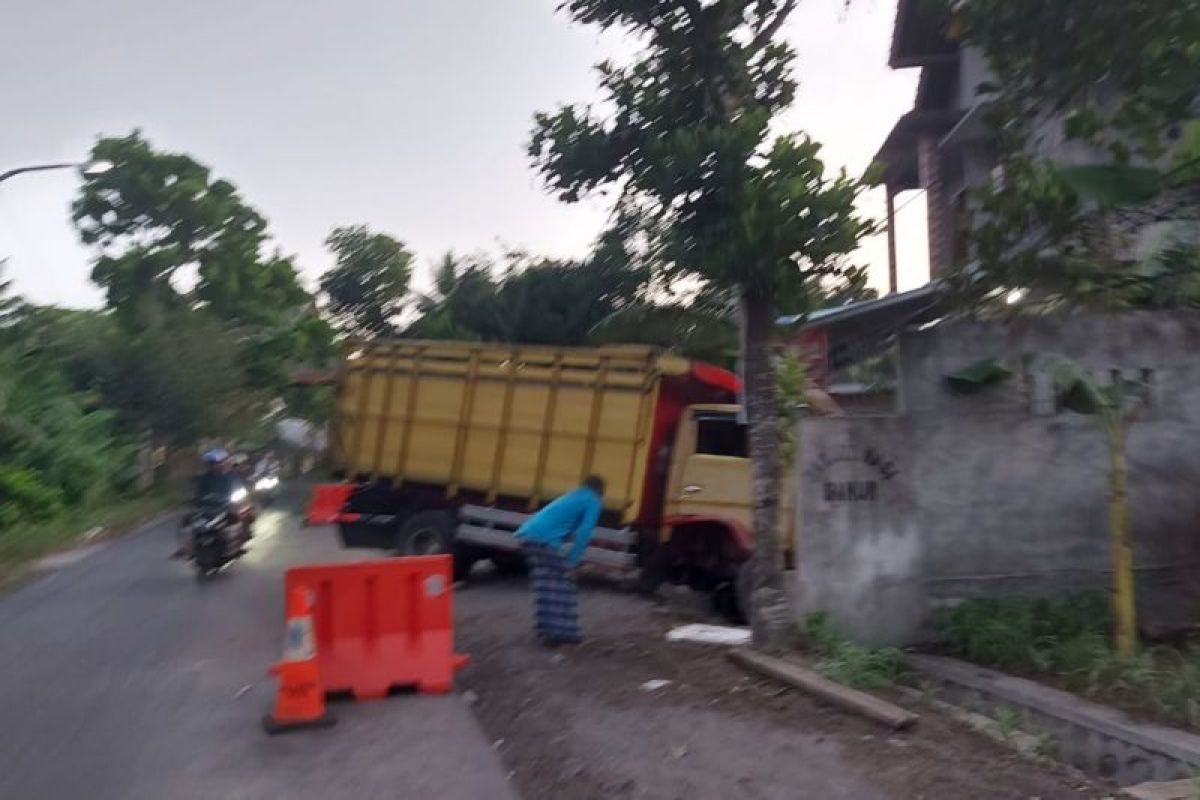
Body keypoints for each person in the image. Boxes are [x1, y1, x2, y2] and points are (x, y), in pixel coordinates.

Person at [515, 475, 605, 645]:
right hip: (543, 540)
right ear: (600, 492)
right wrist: (572, 560)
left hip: (527, 536)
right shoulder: (592, 500)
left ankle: (546, 631)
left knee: (545, 585)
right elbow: (585, 531)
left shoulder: (575, 495)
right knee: (561, 584)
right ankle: (563, 632)